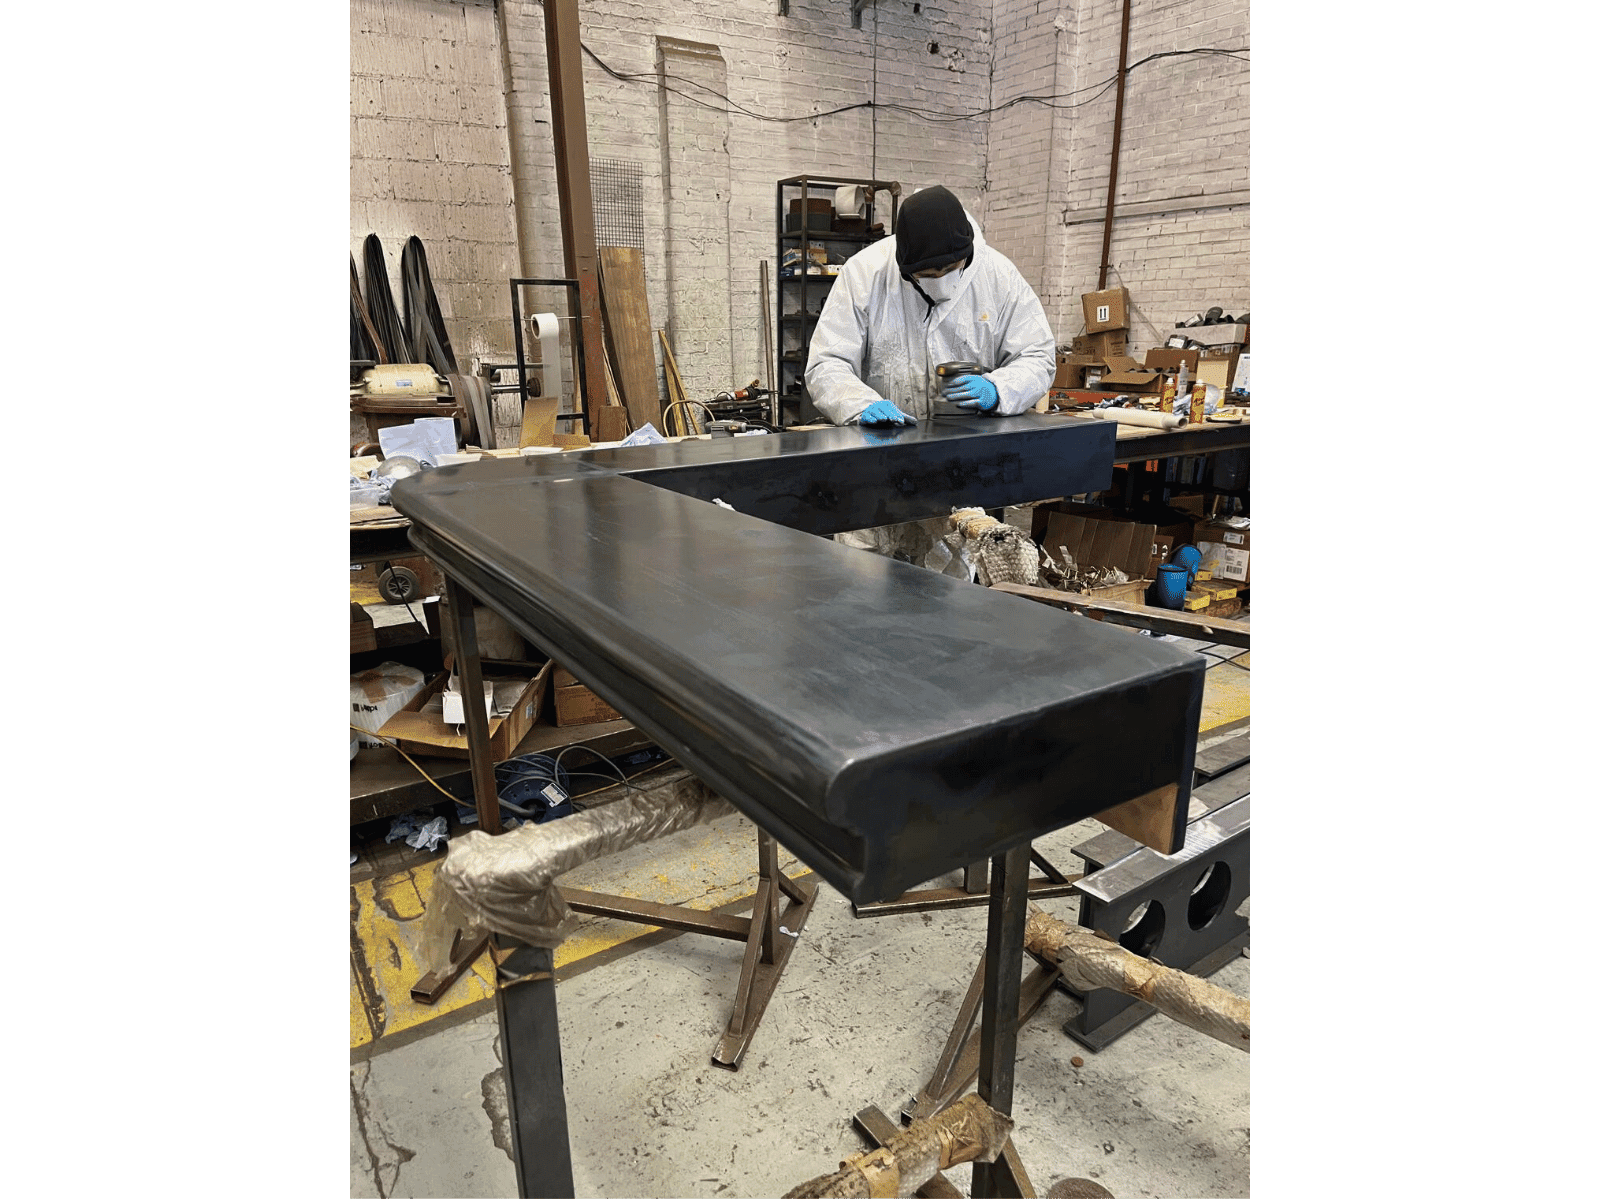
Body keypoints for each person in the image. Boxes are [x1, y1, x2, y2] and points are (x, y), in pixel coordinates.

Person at [805, 185, 1056, 426]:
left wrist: (999, 389)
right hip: (888, 438)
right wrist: (860, 405)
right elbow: (827, 363)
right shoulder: (864, 274)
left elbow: (1037, 357)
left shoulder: (999, 276)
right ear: (905, 266)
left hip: (974, 438)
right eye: (927, 276)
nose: (941, 283)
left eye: (951, 269)